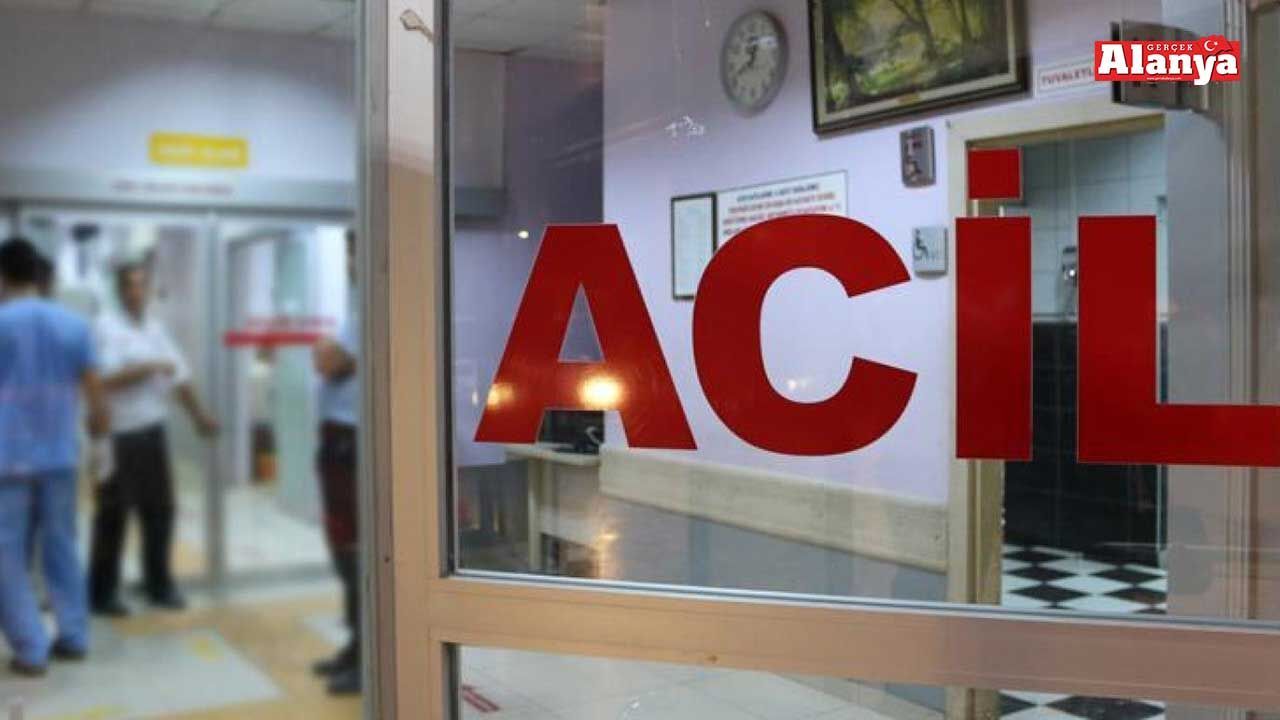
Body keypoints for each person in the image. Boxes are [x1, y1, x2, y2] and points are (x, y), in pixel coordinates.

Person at [0, 237, 108, 677]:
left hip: (8, 460)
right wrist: (101, 442)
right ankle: (74, 635)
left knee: (7, 555)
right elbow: (95, 392)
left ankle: (31, 647)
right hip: (61, 456)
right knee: (62, 546)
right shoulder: (74, 325)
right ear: (37, 275)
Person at [88, 261, 218, 615]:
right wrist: (148, 367)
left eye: (141, 285)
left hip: (152, 431)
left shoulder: (155, 329)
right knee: (114, 515)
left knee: (160, 511)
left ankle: (158, 585)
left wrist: (199, 416)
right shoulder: (105, 327)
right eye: (130, 285)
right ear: (119, 290)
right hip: (118, 435)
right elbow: (102, 380)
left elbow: (180, 377)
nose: (136, 291)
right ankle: (101, 594)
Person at [311, 230, 361, 695]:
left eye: (353, 252)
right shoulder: (355, 308)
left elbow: (330, 363)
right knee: (343, 546)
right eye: (347, 253)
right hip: (337, 442)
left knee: (355, 549)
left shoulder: (375, 306)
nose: (349, 262)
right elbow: (329, 360)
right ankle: (356, 645)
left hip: (353, 443)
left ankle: (368, 654)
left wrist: (328, 353)